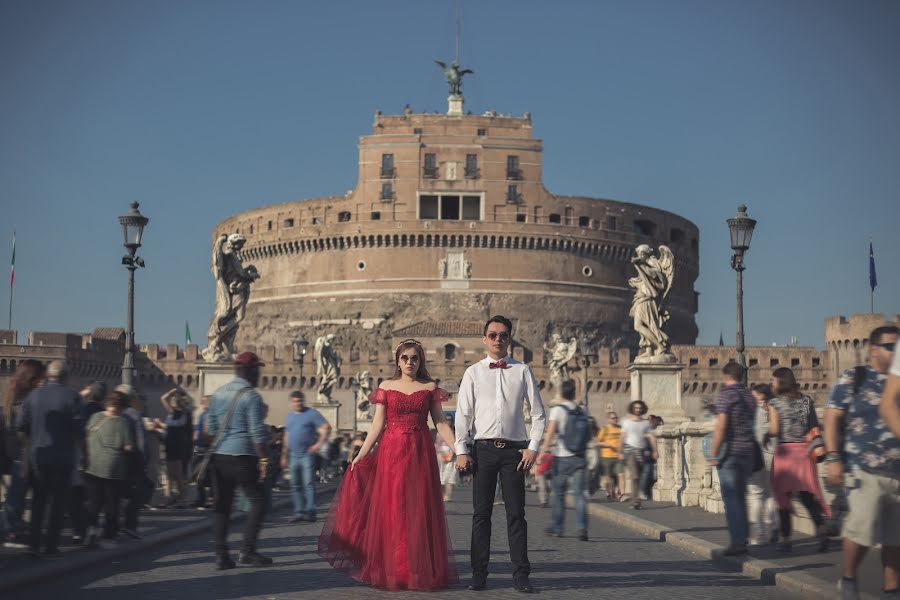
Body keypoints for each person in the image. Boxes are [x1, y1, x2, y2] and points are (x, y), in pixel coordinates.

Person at [318, 338, 458, 591]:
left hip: (419, 454)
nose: (410, 362)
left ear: (421, 361)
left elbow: (440, 423)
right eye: (405, 358)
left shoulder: (429, 387)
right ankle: (393, 568)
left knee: (417, 509)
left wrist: (460, 449)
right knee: (392, 507)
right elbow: (376, 425)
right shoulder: (386, 386)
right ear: (398, 360)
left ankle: (416, 568)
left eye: (414, 358)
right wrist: (361, 454)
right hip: (391, 454)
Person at [454, 315, 546, 593]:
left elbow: (539, 415)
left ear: (510, 339)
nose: (498, 339)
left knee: (516, 515)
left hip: (514, 453)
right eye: (493, 335)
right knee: (481, 516)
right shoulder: (473, 372)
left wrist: (533, 446)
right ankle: (479, 575)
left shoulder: (523, 371)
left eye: (503, 335)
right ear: (485, 339)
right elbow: (463, 414)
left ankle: (521, 576)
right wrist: (461, 449)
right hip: (482, 451)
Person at [825, 325, 900, 600]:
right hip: (863, 467)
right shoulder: (853, 378)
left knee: (895, 538)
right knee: (862, 530)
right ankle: (849, 577)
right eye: (891, 346)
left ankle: (892, 590)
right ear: (874, 349)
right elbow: (832, 417)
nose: (897, 352)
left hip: (898, 469)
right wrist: (833, 458)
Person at [205, 351, 271, 569]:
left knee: (222, 505)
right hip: (243, 456)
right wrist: (263, 460)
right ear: (251, 371)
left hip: (220, 457)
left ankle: (221, 556)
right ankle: (247, 552)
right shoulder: (251, 396)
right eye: (257, 369)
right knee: (259, 501)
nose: (259, 373)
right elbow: (257, 432)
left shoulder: (218, 393)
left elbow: (210, 429)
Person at [16, 360, 83, 557]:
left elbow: (20, 426)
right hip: (63, 458)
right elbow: (80, 430)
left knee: (38, 500)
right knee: (58, 502)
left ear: (47, 375)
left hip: (38, 456)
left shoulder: (33, 396)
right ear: (66, 377)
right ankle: (51, 546)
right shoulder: (73, 397)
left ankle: (34, 544)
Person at [767, 366, 831, 553]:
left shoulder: (775, 403)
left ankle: (786, 539)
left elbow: (774, 430)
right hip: (804, 452)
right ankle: (820, 527)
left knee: (783, 496)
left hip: (785, 454)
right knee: (807, 494)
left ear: (780, 382)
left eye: (773, 380)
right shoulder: (806, 400)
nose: (772, 384)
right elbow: (814, 425)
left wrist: (765, 434)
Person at [707, 362, 756, 556]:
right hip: (748, 451)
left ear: (726, 375)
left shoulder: (726, 394)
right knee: (741, 497)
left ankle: (737, 542)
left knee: (731, 498)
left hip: (730, 453)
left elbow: (721, 427)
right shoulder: (749, 396)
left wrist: (714, 452)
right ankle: (743, 538)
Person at [2, 359, 45, 549]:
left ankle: (15, 530)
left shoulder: (14, 396)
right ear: (33, 378)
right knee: (17, 496)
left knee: (17, 495)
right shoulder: (25, 401)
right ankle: (12, 532)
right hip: (24, 453)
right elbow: (21, 428)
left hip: (20, 453)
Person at [84, 390, 135, 548]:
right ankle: (108, 537)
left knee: (94, 502)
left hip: (93, 466)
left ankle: (91, 531)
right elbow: (128, 447)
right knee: (111, 504)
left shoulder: (96, 417)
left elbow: (86, 436)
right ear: (123, 407)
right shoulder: (123, 422)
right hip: (114, 469)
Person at [540, 379, 589, 541]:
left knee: (559, 494)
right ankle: (582, 528)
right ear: (574, 394)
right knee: (579, 495)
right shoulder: (582, 410)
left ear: (561, 394)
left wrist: (543, 451)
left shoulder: (558, 410)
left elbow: (551, 432)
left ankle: (558, 527)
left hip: (562, 458)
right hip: (580, 457)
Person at [281, 390, 330, 523]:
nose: (298, 403)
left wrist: (318, 445)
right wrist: (284, 455)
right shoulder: (289, 417)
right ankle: (298, 512)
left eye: (300, 401)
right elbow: (286, 436)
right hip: (293, 455)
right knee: (295, 484)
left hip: (306, 455)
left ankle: (311, 511)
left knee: (308, 484)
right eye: (295, 401)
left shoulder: (311, 413)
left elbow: (326, 427)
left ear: (303, 401)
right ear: (291, 402)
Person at [747, 383, 778, 546]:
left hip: (757, 457)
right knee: (770, 494)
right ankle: (774, 526)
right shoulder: (775, 408)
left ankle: (759, 533)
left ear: (760, 395)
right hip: (774, 456)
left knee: (756, 495)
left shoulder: (754, 411)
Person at [619, 400, 657, 510]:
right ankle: (636, 500)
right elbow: (622, 437)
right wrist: (620, 452)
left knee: (640, 477)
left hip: (642, 451)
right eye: (636, 408)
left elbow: (651, 436)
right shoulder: (626, 422)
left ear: (643, 409)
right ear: (632, 409)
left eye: (640, 408)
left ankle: (637, 500)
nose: (638, 409)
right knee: (635, 476)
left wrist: (655, 450)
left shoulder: (645, 423)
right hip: (630, 451)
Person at [160, 388, 193, 507]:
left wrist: (175, 392)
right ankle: (169, 497)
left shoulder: (184, 414)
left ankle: (182, 498)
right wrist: (173, 391)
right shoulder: (172, 413)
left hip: (179, 447)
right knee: (169, 473)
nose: (172, 400)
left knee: (178, 474)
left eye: (175, 399)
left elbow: (184, 432)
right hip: (170, 445)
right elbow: (163, 398)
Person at [191, 396, 212, 509]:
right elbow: (196, 432)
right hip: (200, 448)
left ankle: (205, 499)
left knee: (202, 476)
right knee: (198, 476)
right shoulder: (201, 415)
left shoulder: (209, 416)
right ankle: (202, 498)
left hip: (206, 449)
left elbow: (204, 432)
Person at [597, 411, 624, 501]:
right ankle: (608, 492)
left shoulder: (620, 428)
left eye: (616, 418)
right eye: (613, 418)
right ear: (608, 419)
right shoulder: (604, 429)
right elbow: (598, 442)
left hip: (618, 456)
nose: (615, 420)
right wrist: (607, 444)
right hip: (607, 456)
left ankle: (620, 494)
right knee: (607, 479)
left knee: (620, 475)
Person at [436, 416, 459, 502]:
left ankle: (448, 495)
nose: (448, 421)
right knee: (441, 475)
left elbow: (456, 444)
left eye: (450, 420)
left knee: (450, 475)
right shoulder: (440, 432)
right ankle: (442, 495)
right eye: (447, 420)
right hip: (441, 454)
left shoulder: (455, 433)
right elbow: (437, 444)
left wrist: (453, 453)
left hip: (452, 454)